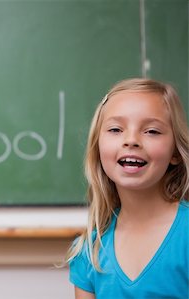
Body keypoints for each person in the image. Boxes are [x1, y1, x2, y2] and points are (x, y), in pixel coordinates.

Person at [66, 78, 189, 298]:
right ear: (98, 149)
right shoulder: (89, 251)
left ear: (175, 154)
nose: (131, 140)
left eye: (151, 131)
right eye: (115, 129)